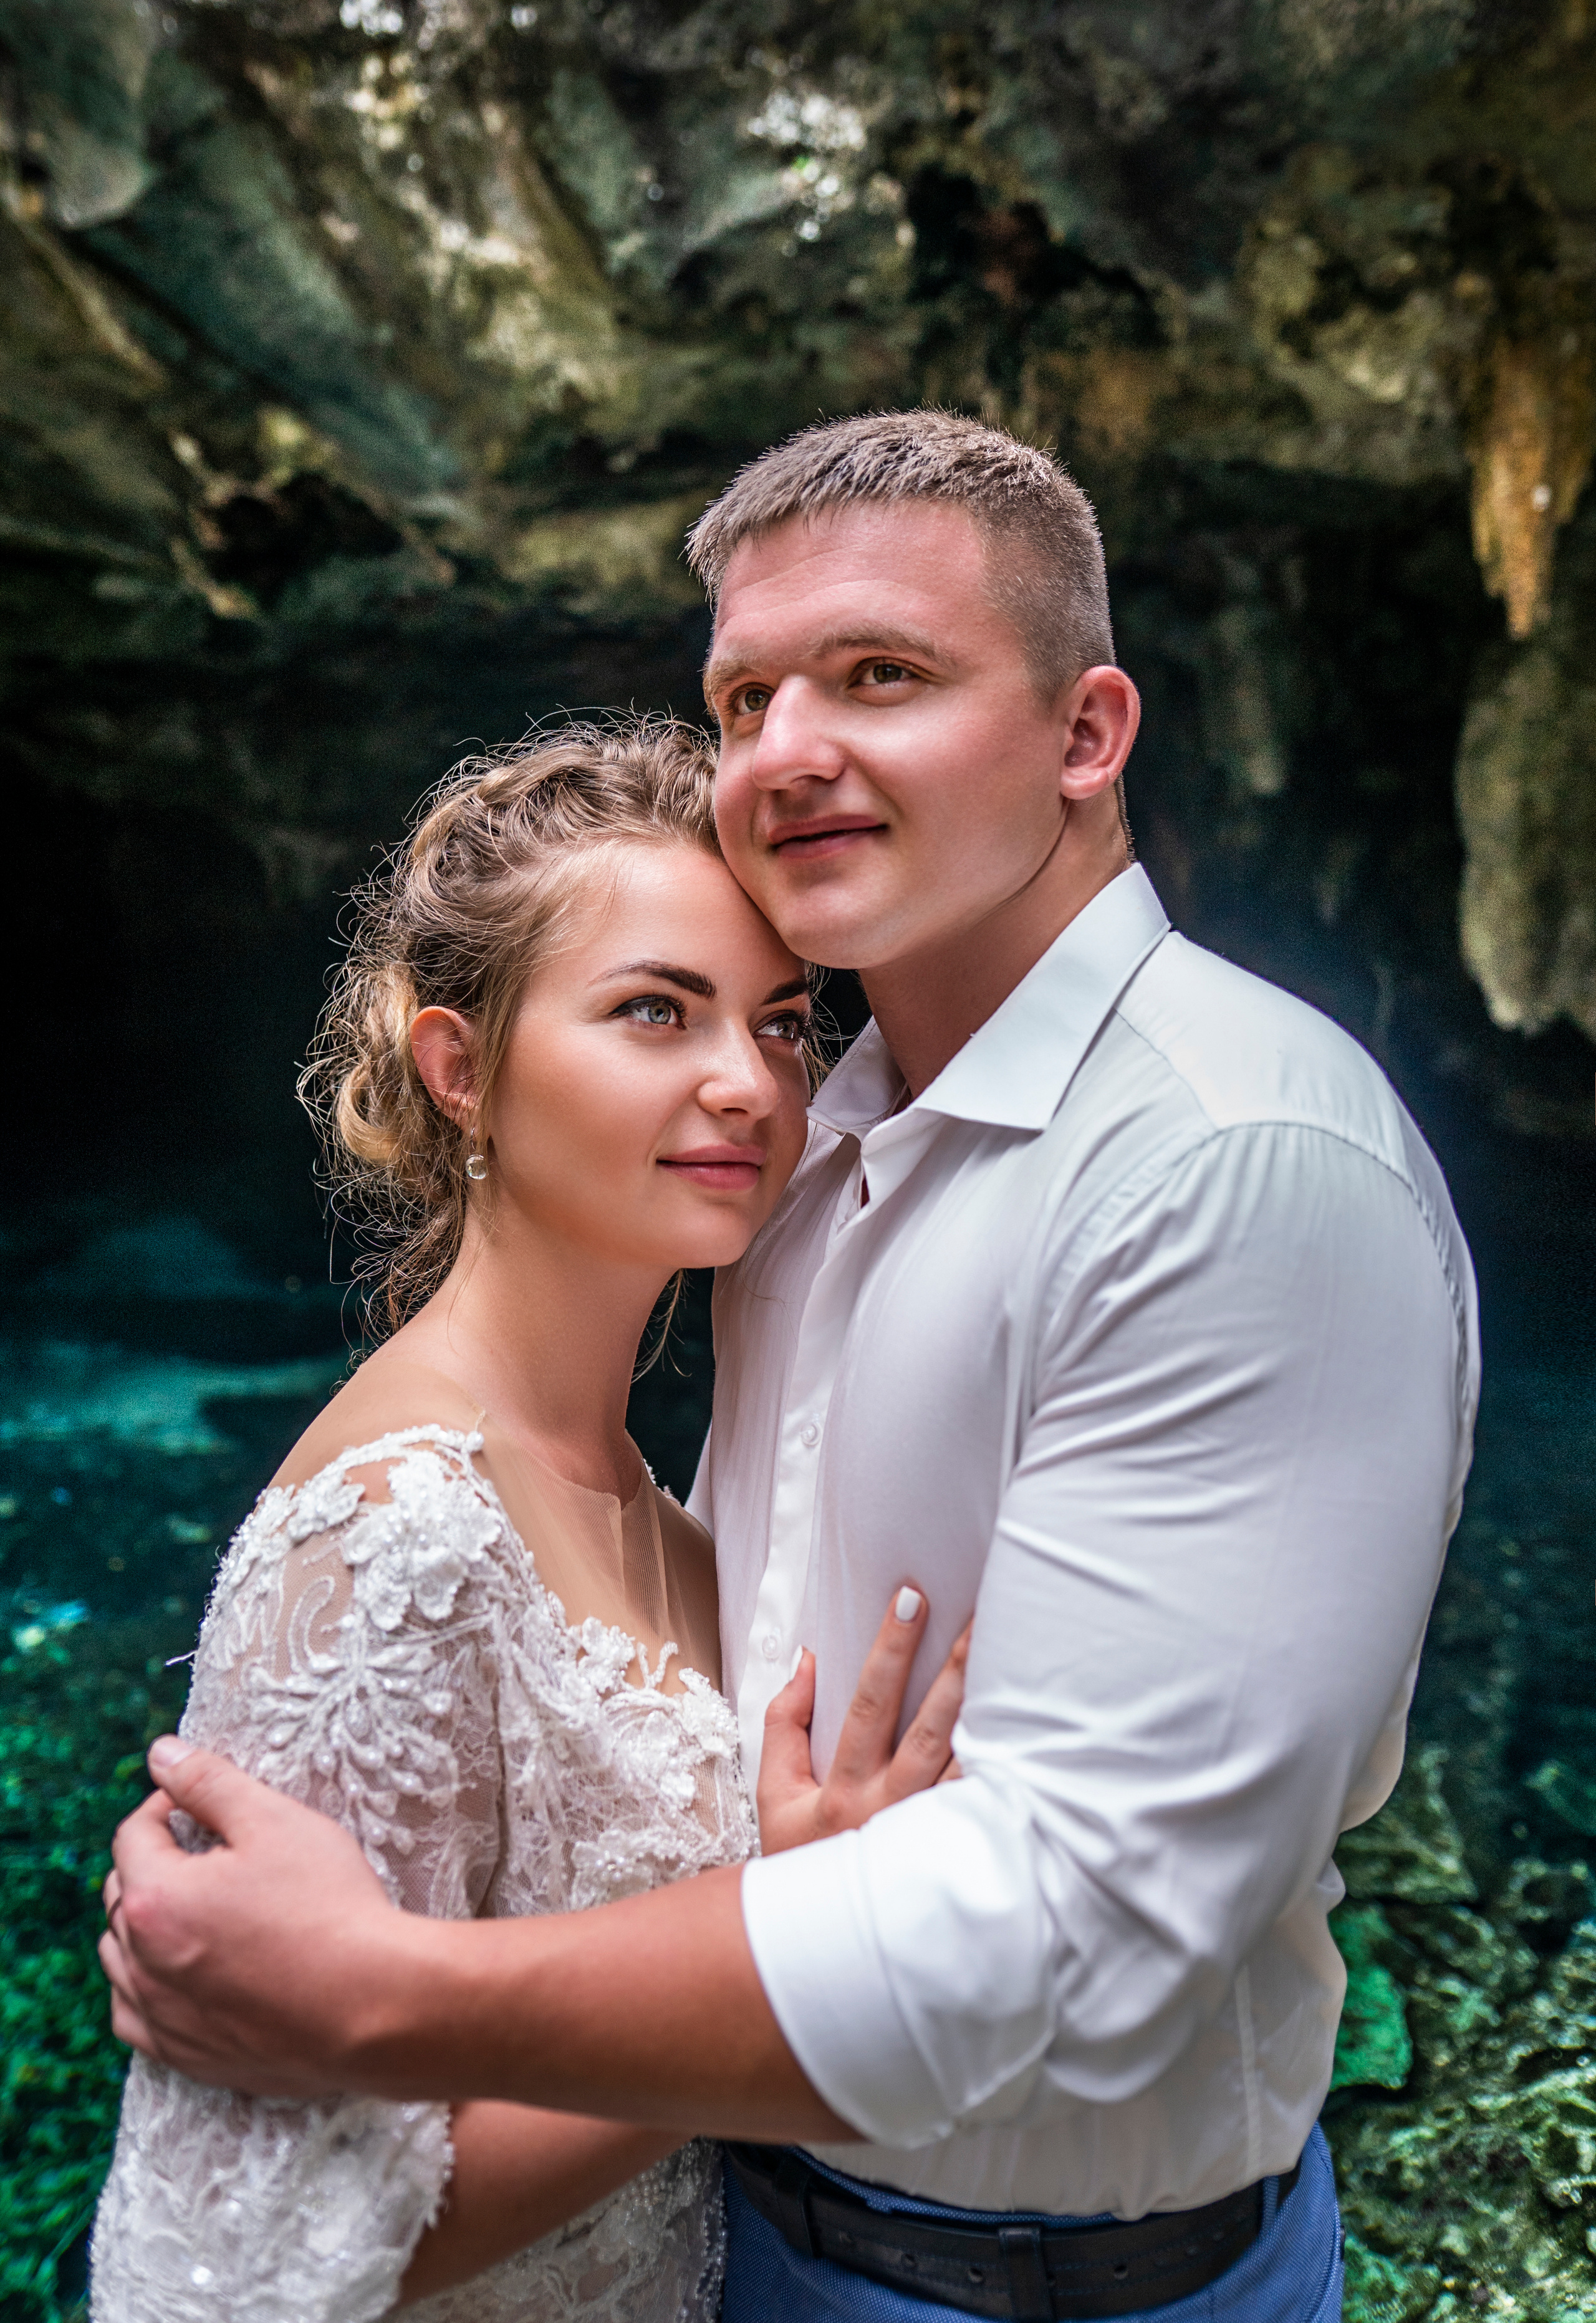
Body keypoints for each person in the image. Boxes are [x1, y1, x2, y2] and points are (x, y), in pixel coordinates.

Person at [102, 410, 1480, 2323]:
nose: (788, 749)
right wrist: (767, 1874)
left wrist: (385, 1992)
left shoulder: (1236, 1162)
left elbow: (1082, 1937)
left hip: (1080, 2285)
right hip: (745, 2237)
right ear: (462, 1068)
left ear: (1090, 735)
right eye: (745, 697)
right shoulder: (812, 1168)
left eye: (881, 676)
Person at [87, 715, 969, 2323]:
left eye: (781, 1026)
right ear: (462, 1067)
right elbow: (242, 2261)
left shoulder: (669, 1510)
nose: (747, 1082)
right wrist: (788, 1968)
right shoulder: (394, 1542)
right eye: (655, 1011)